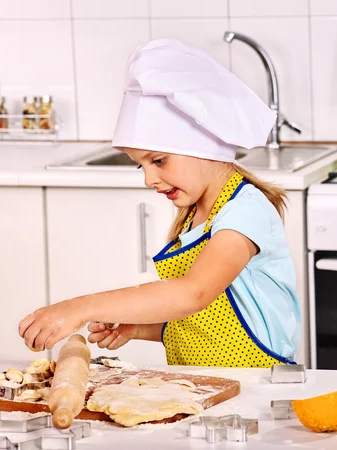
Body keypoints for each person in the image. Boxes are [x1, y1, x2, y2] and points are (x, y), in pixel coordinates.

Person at [18, 38, 301, 367]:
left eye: (159, 160)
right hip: (207, 387)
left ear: (204, 148)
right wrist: (142, 328)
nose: (148, 179)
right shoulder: (195, 215)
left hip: (258, 389)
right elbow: (210, 323)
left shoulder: (245, 212)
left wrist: (79, 307)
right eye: (142, 165)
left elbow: (192, 294)